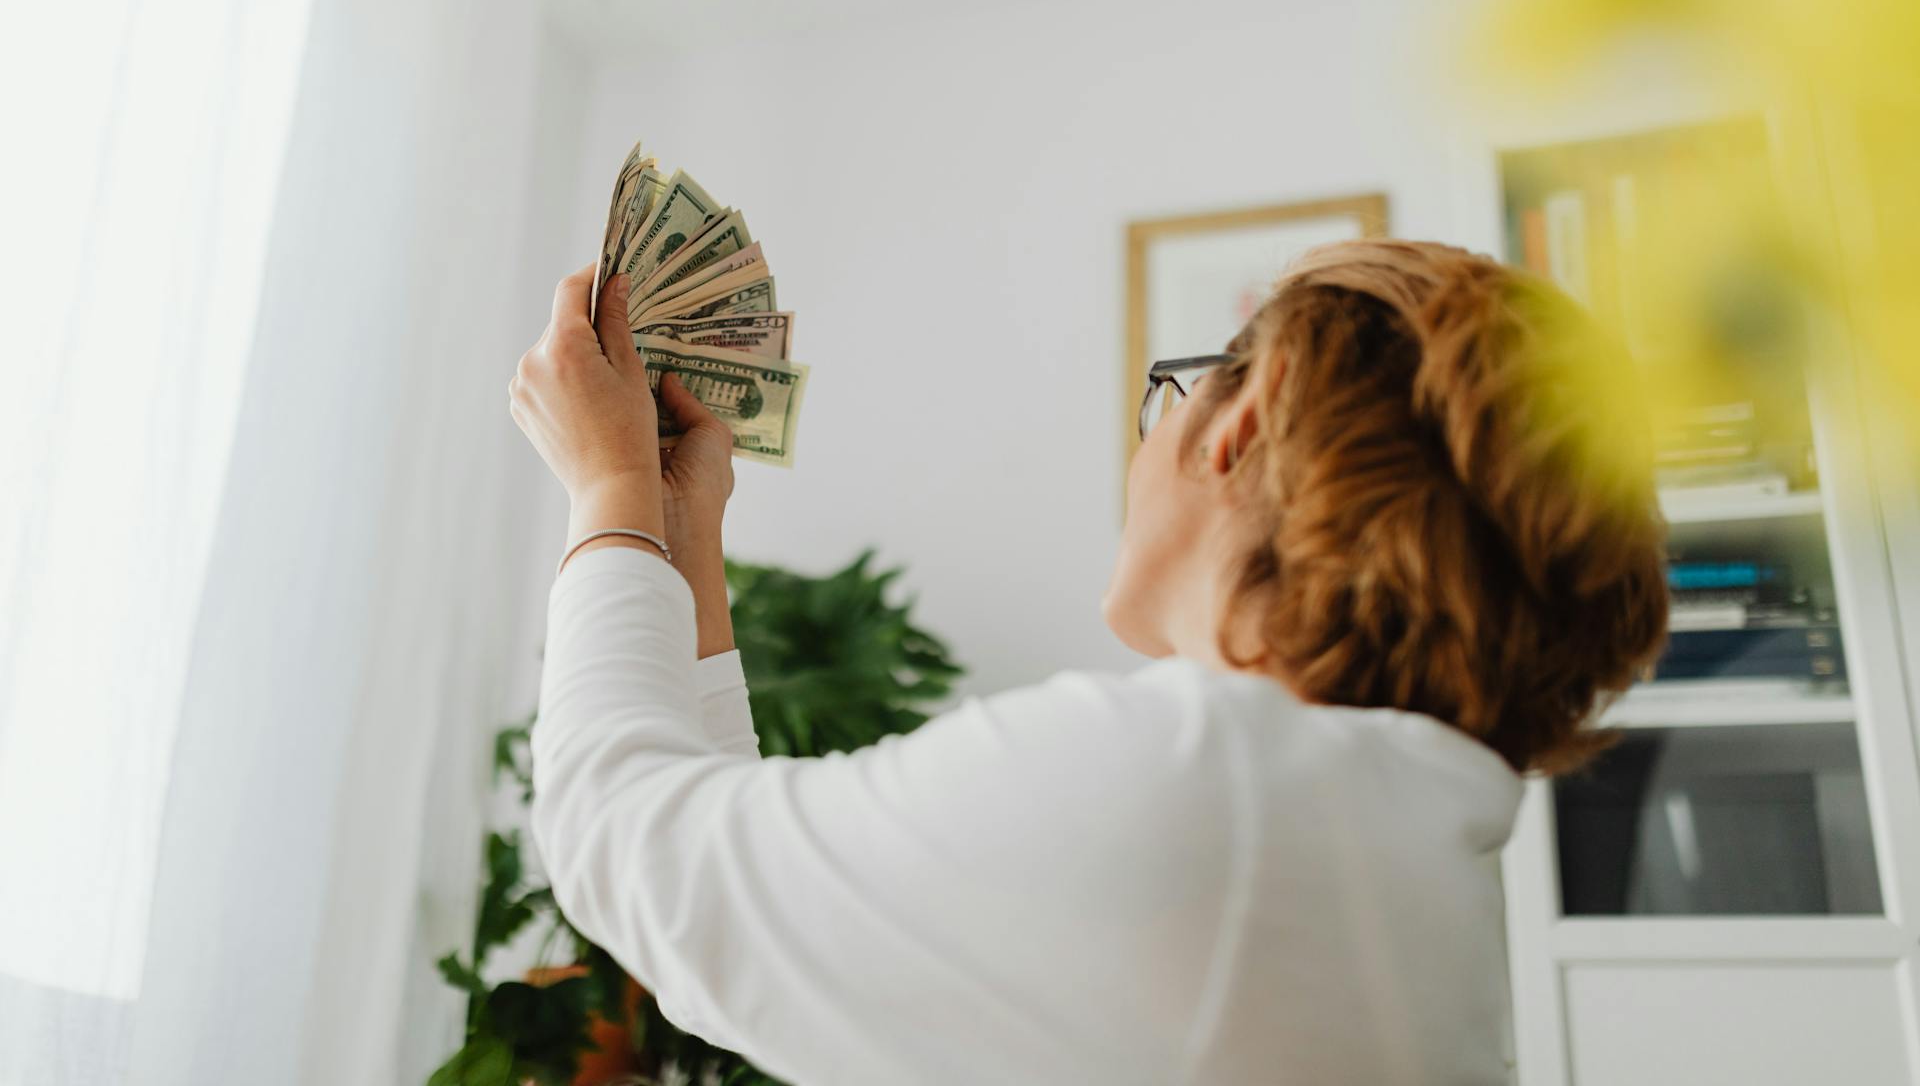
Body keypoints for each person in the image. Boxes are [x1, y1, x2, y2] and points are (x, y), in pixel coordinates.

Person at [506, 238, 1668, 1085]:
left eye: (1172, 390)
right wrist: (678, 524)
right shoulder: (1373, 836)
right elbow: (726, 917)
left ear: (1241, 423)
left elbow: (624, 836)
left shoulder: (1202, 781)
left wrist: (606, 490)